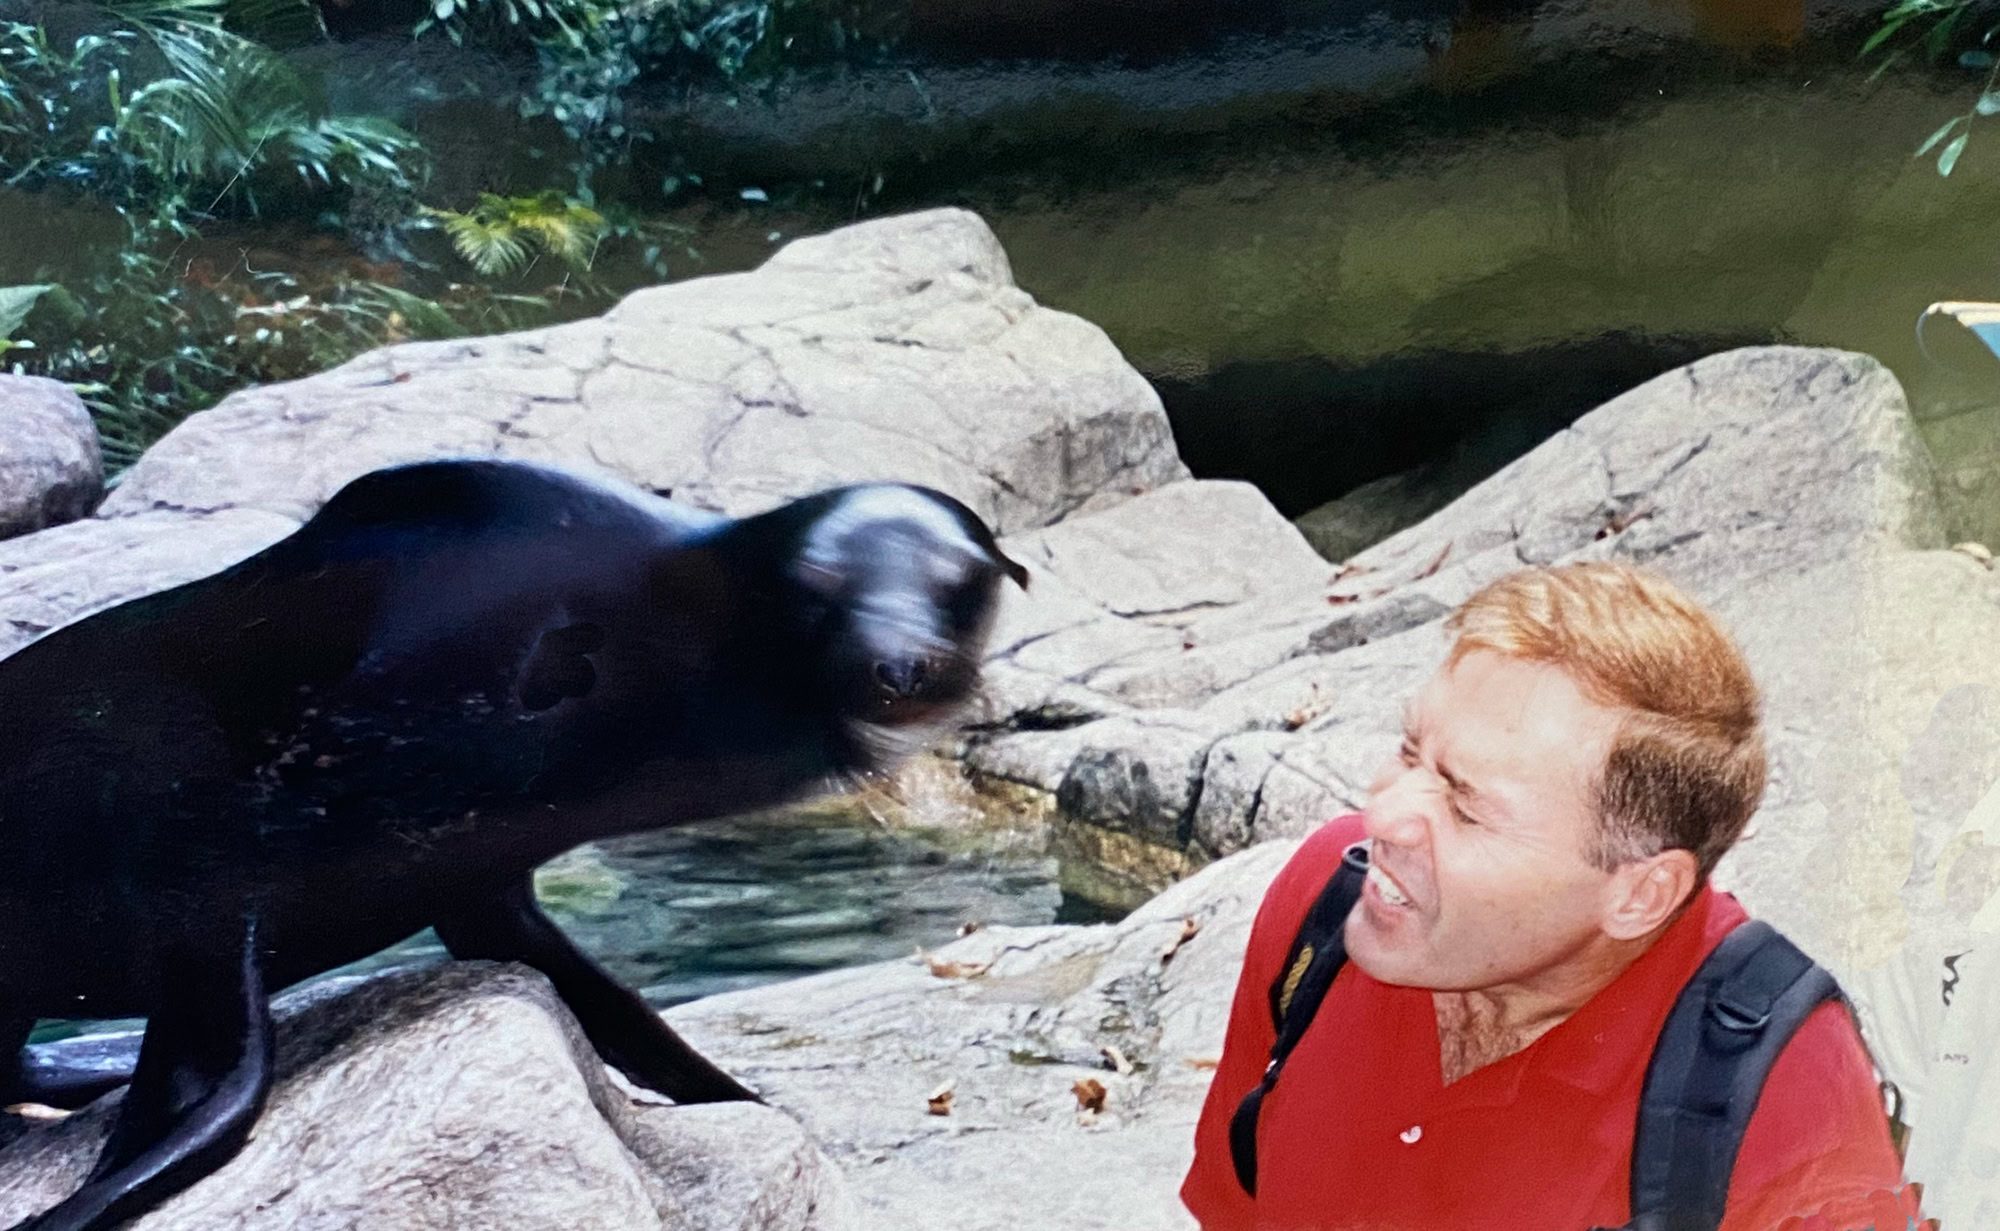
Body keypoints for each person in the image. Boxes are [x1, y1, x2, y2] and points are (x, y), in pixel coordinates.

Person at [1179, 561, 1917, 1231]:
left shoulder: (1784, 1108)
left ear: (1640, 893)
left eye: (1465, 807)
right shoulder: (1327, 901)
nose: (1382, 816)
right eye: (1409, 751)